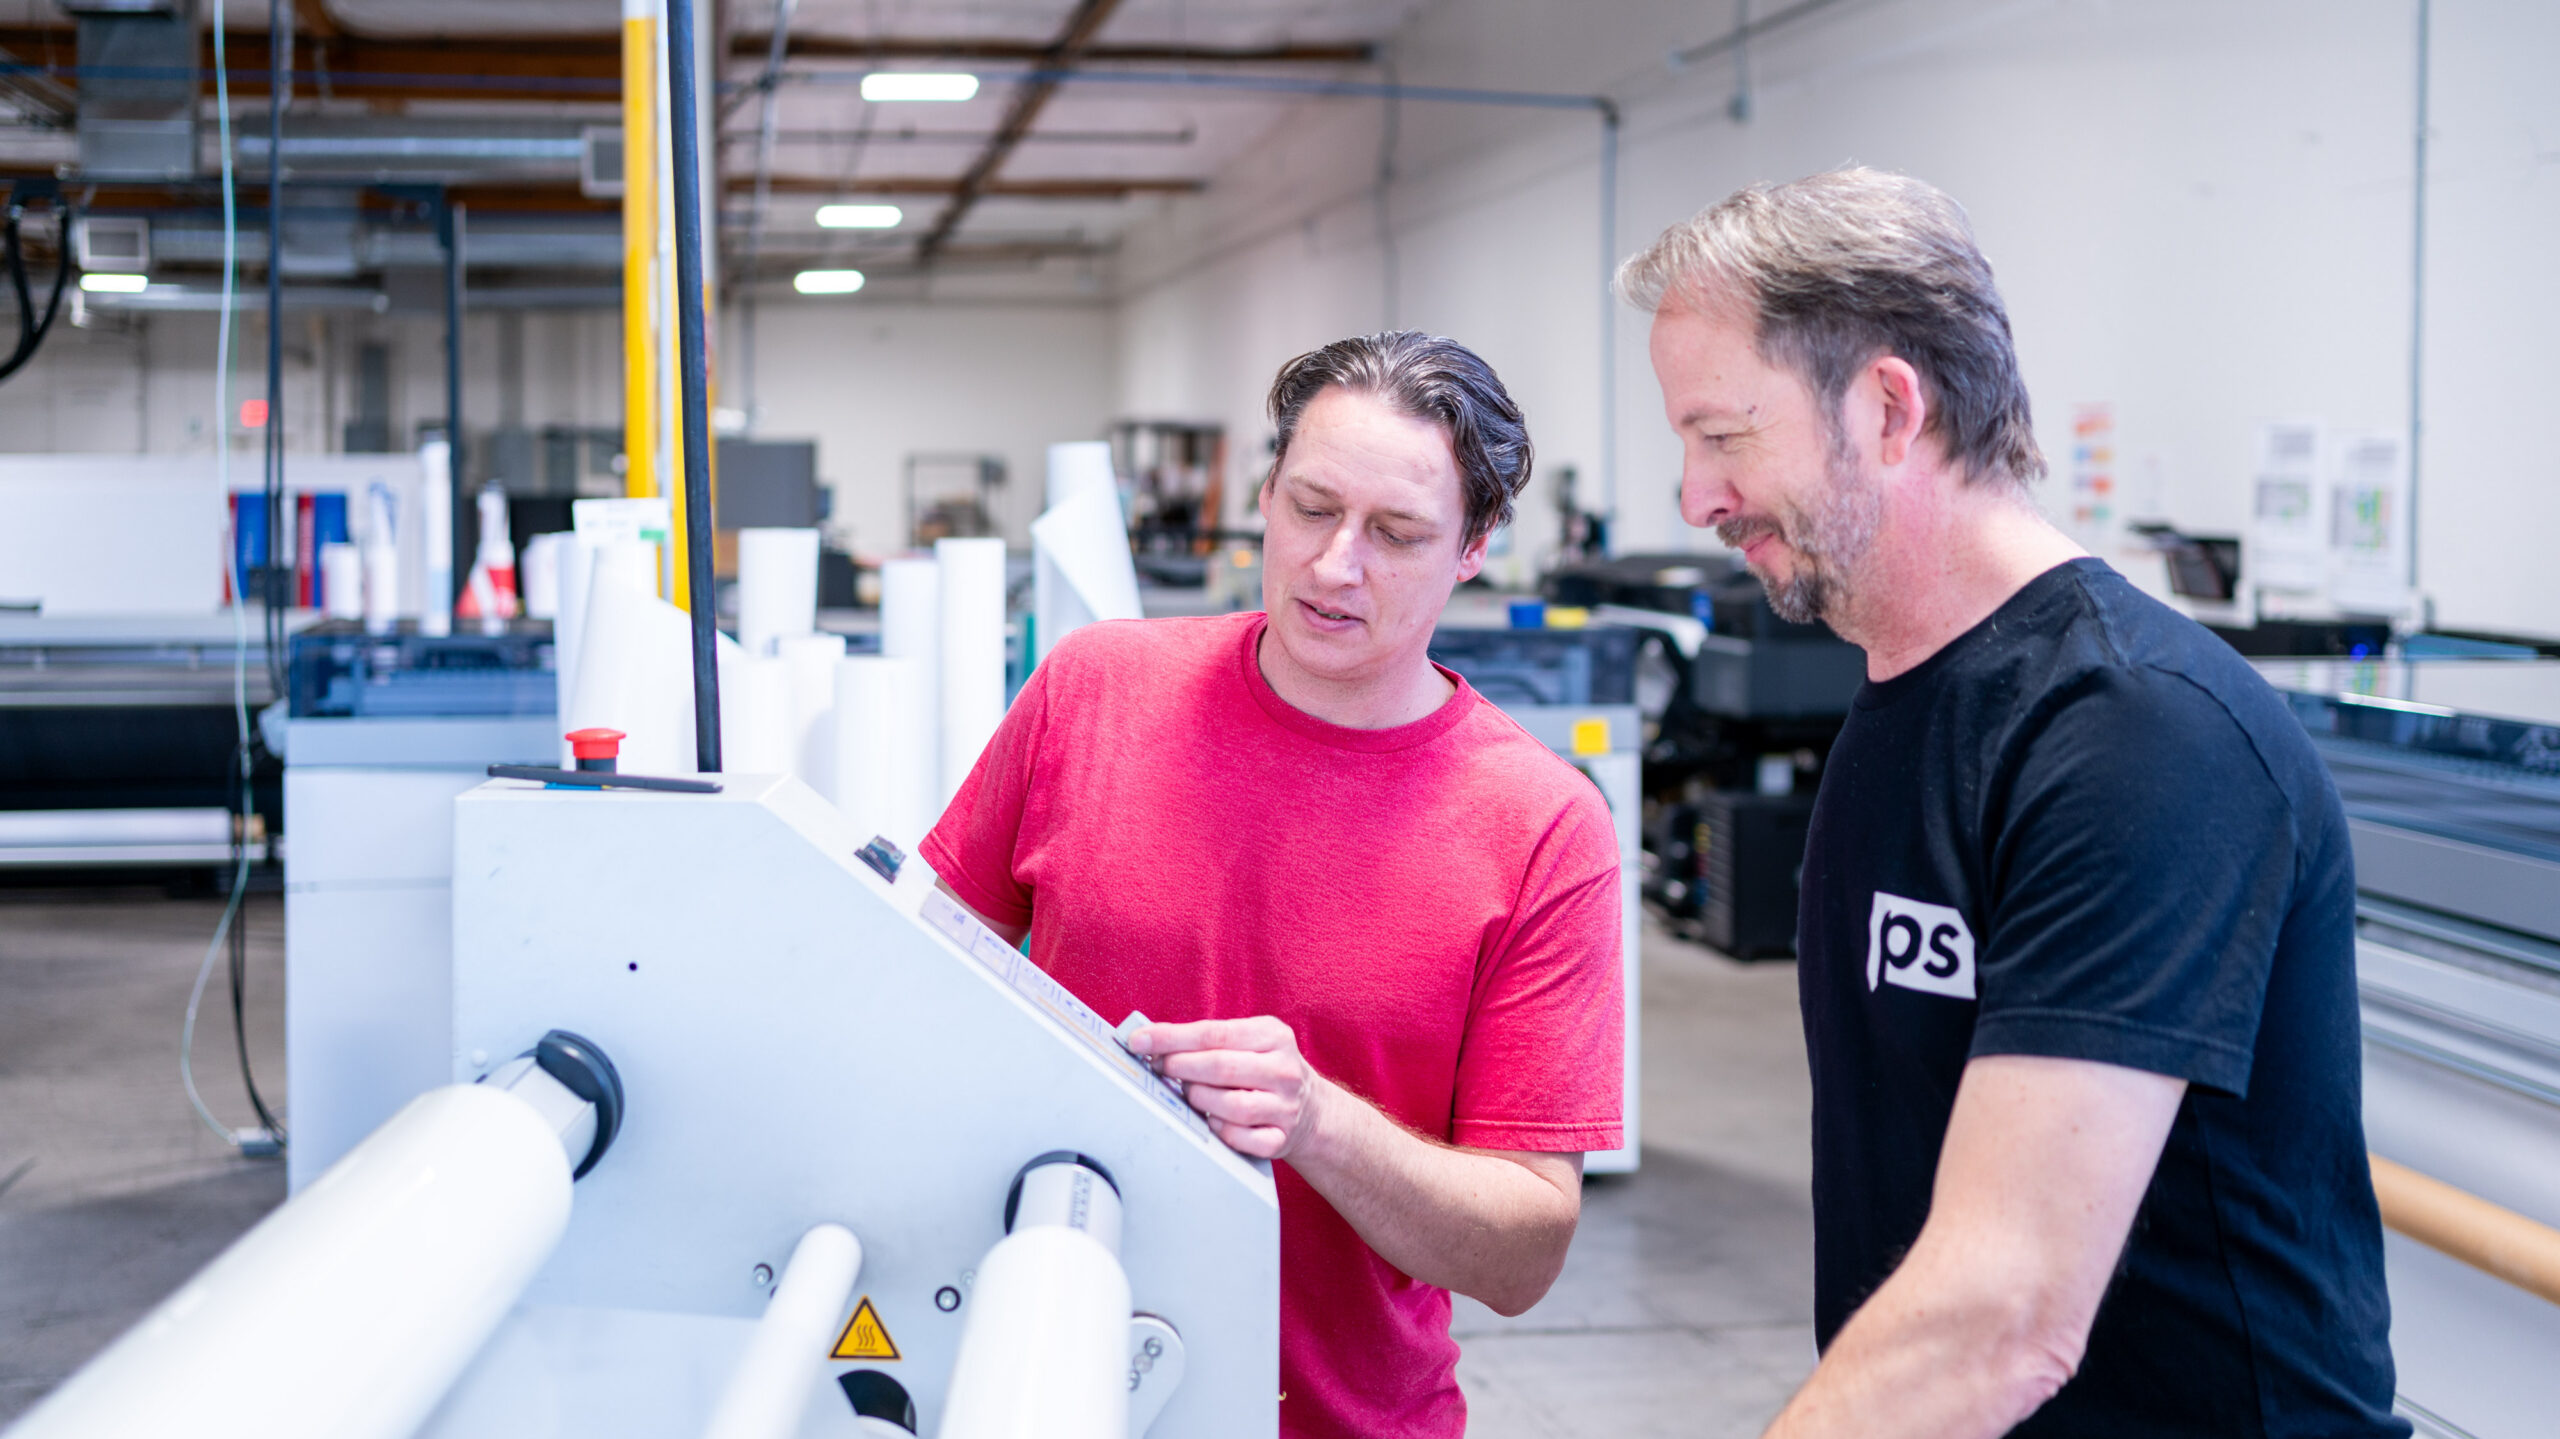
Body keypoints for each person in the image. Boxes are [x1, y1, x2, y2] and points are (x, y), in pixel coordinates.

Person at [1620, 168, 2405, 1438]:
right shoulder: (1897, 701)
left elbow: (2005, 1313)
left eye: (1723, 433)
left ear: (1886, 406)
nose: (1696, 495)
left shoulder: (2134, 734)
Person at [921, 331, 1624, 1439]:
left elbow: (1524, 1250)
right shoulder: (1092, 691)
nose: (1334, 564)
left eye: (1395, 533)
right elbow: (916, 984)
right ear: (1265, 492)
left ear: (1475, 546)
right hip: (1037, 1387)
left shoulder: (1538, 825)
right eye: (1309, 507)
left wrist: (1317, 1125)